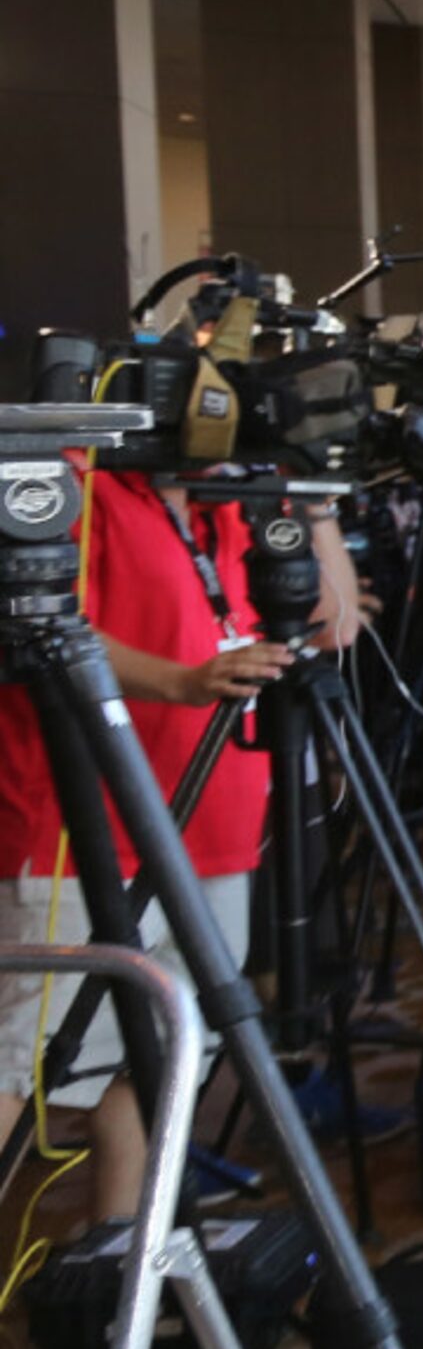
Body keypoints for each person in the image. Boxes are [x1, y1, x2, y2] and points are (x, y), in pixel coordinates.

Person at [0, 460, 364, 1222]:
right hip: (85, 836)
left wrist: (307, 492)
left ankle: (120, 1278)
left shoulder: (229, 505)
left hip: (212, 831)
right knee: (19, 1069)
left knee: (159, 1069)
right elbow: (42, 623)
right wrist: (182, 681)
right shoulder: (80, 483)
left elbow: (335, 622)